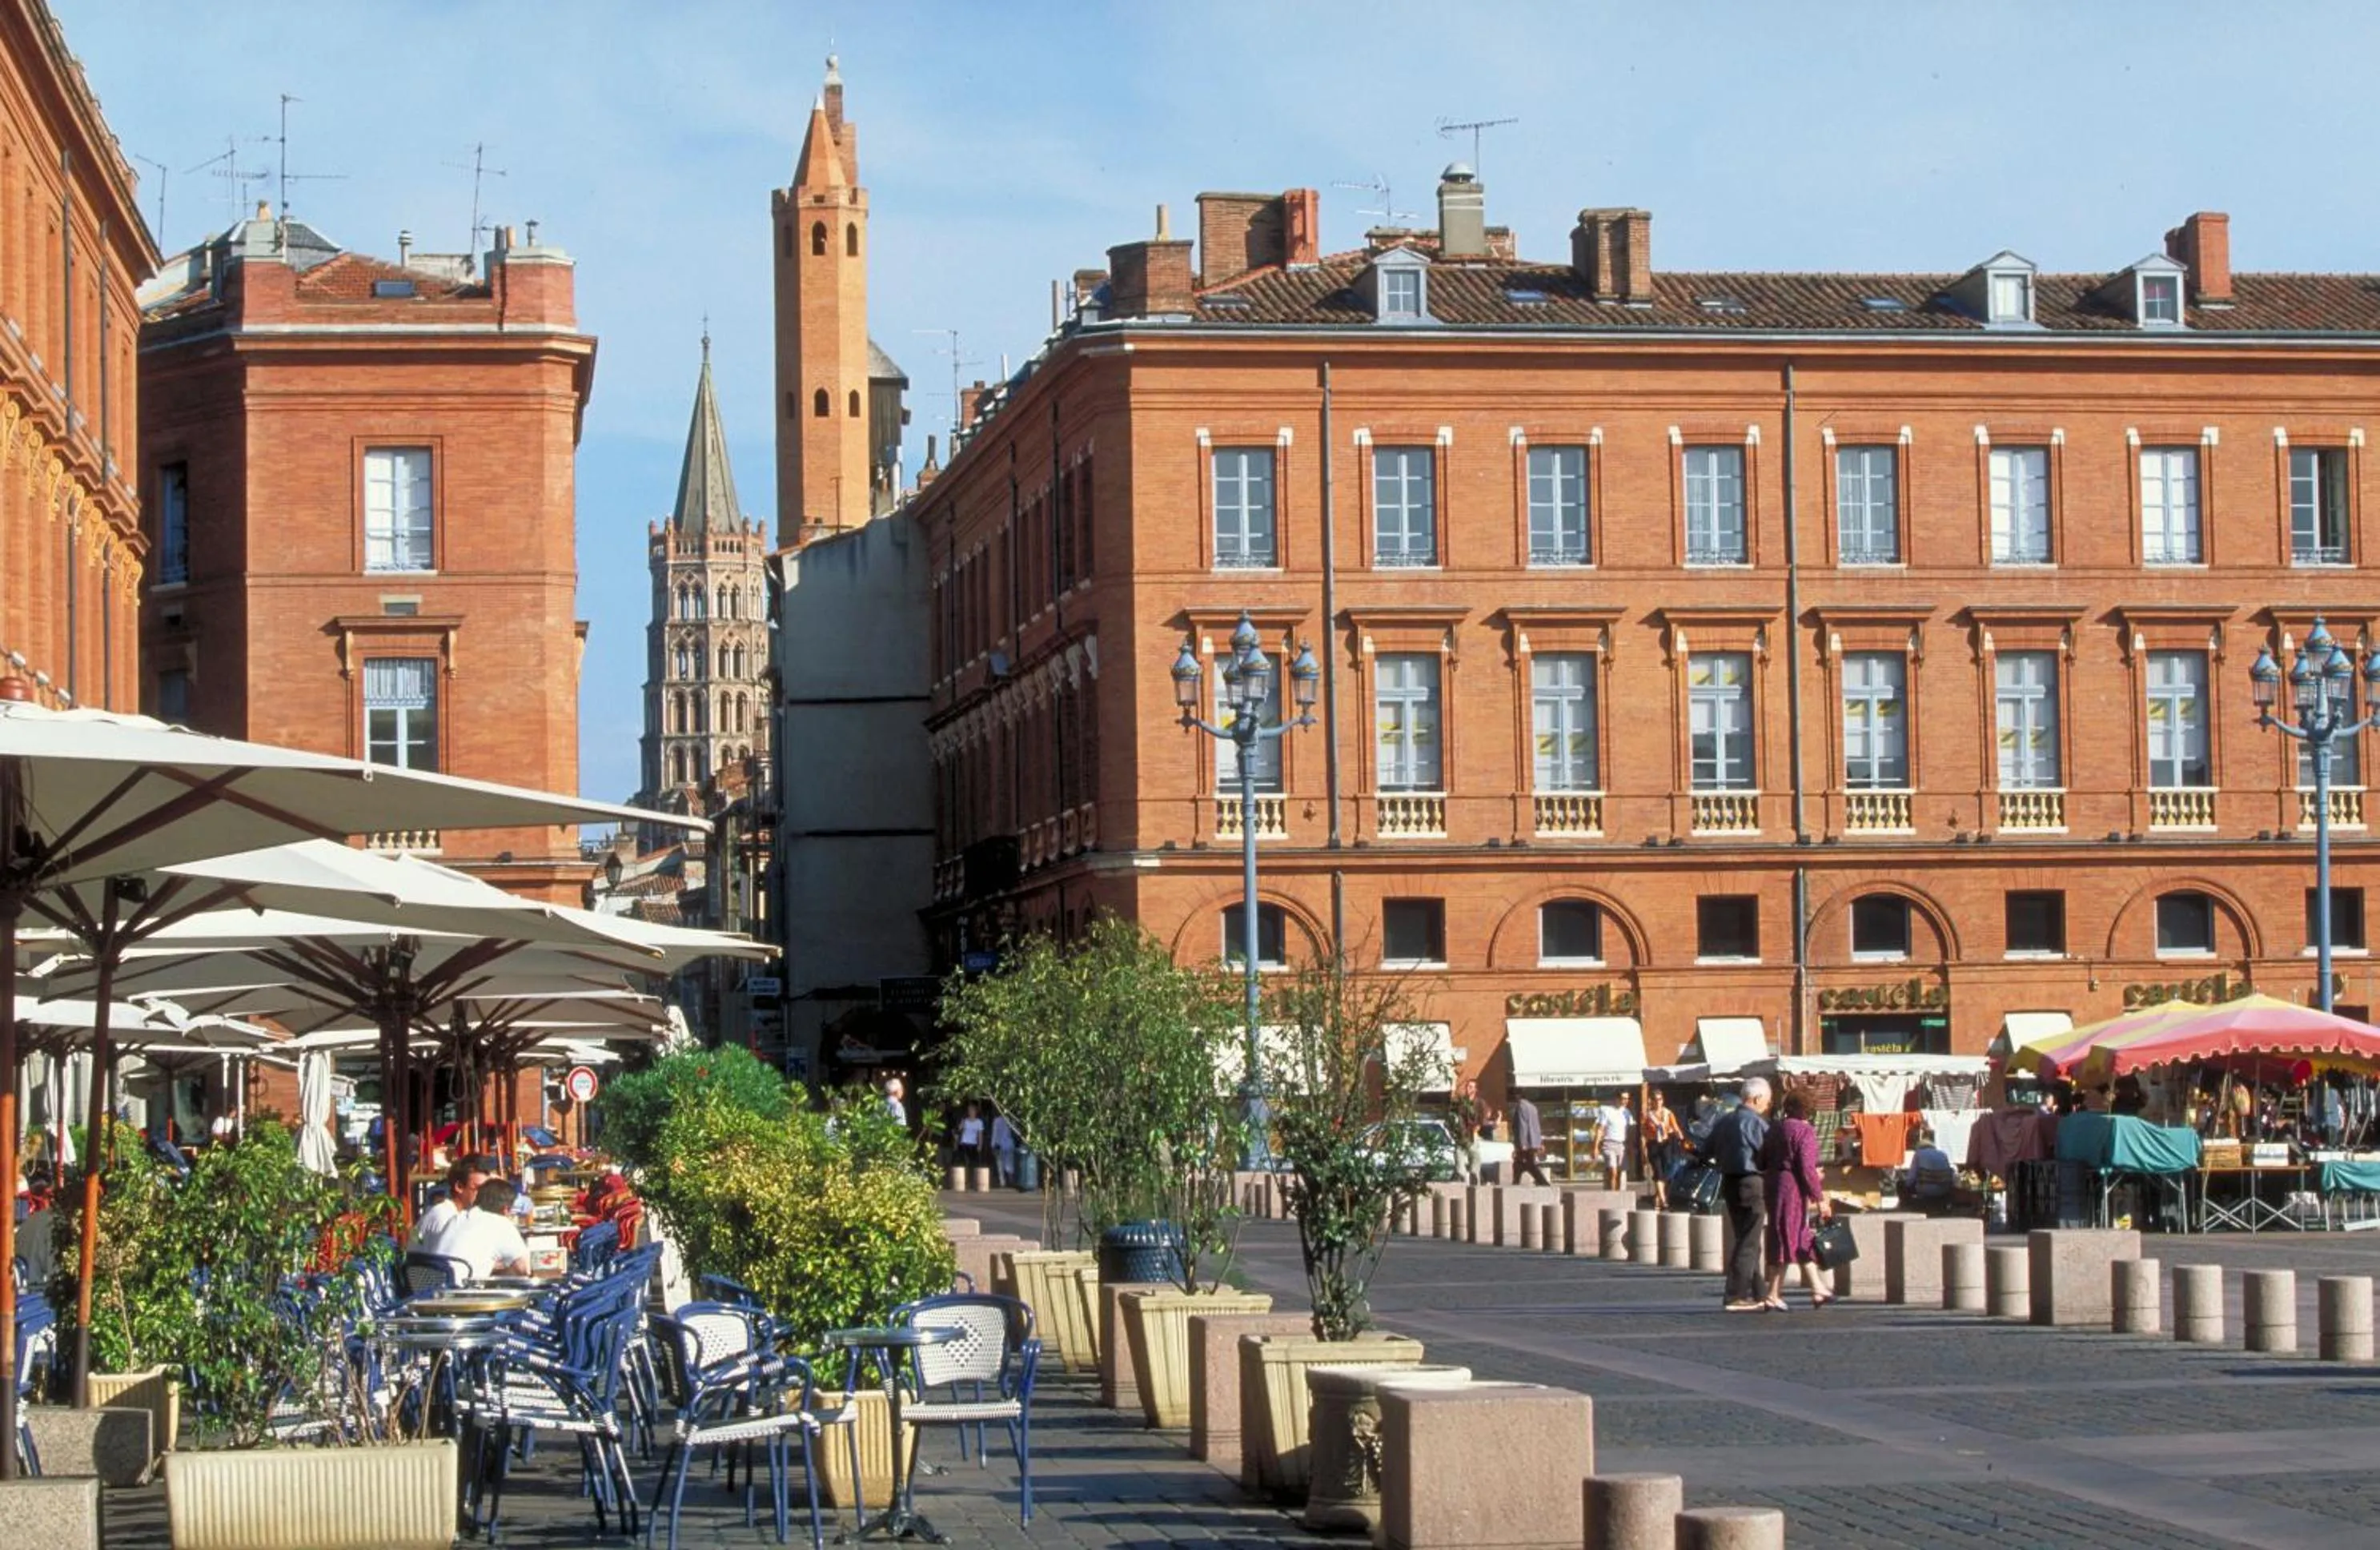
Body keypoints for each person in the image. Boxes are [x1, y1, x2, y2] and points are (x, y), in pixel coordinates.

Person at [1760, 1090, 1835, 1311]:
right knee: (1788, 1237)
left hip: (1774, 1185)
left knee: (1798, 1237)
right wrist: (1819, 1196)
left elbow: (1760, 1159)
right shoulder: (1804, 1131)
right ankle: (1773, 1294)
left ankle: (1818, 1288)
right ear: (1806, 1110)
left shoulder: (1774, 1129)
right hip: (1792, 1188)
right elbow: (1806, 1167)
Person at [1705, 1078, 1773, 1311]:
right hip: (1752, 1182)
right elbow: (1769, 1153)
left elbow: (1706, 1150)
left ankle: (1760, 1292)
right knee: (1749, 1241)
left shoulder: (1724, 1121)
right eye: (1766, 1101)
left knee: (1747, 1238)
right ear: (1755, 1099)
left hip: (1729, 1182)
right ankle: (1735, 1295)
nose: (1767, 1106)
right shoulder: (1755, 1123)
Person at [423, 1177, 532, 1283]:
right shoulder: (501, 1223)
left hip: (434, 1291)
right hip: (462, 1294)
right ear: (505, 1210)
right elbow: (525, 1270)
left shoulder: (457, 1219)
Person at [411, 1159, 487, 1248]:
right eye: (479, 1188)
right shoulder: (447, 1218)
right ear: (459, 1187)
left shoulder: (438, 1211)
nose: (485, 1193)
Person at [1644, 1090, 1686, 1207]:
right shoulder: (1648, 1116)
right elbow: (1644, 1133)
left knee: (1667, 1172)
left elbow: (1676, 1128)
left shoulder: (1668, 1113)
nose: (1658, 1102)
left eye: (1660, 1099)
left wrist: (1681, 1137)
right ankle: (1664, 1200)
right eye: (1655, 1100)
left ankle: (1657, 1197)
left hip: (1666, 1145)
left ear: (1663, 1100)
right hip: (1653, 1145)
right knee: (1658, 1172)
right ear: (1652, 1101)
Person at [1593, 1092, 1633, 1189]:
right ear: (1617, 1099)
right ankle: (1612, 1196)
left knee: (1620, 1172)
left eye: (1627, 1099)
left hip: (1622, 1145)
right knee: (1613, 1171)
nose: (1625, 1101)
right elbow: (1600, 1129)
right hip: (1609, 1144)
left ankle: (1618, 1195)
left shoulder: (1627, 1113)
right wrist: (1595, 1147)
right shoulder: (1607, 1111)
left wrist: (1631, 1147)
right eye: (1623, 1098)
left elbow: (1630, 1130)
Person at [1510, 1090, 1550, 1185]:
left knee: (1527, 1164)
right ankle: (1516, 1183)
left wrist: (1522, 1143)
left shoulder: (1521, 1106)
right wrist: (1539, 1142)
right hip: (1533, 1142)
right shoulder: (1533, 1107)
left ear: (1519, 1096)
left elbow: (1522, 1126)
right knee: (1521, 1163)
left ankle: (1543, 1182)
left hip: (1526, 1143)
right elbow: (1536, 1126)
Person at [989, 1110, 1019, 1187]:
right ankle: (1010, 1181)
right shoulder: (1012, 1120)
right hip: (1009, 1144)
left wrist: (993, 1145)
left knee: (1000, 1164)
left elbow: (995, 1134)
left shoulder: (997, 1121)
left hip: (999, 1144)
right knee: (1009, 1163)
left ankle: (1002, 1182)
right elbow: (1016, 1133)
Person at [956, 1102, 986, 1170]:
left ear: (975, 1111)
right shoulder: (965, 1120)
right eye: (969, 1110)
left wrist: (980, 1145)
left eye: (972, 1110)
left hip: (973, 1144)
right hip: (964, 1143)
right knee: (965, 1162)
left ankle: (971, 1176)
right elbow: (959, 1129)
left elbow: (980, 1134)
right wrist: (962, 1123)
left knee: (973, 1162)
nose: (971, 1112)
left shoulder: (979, 1122)